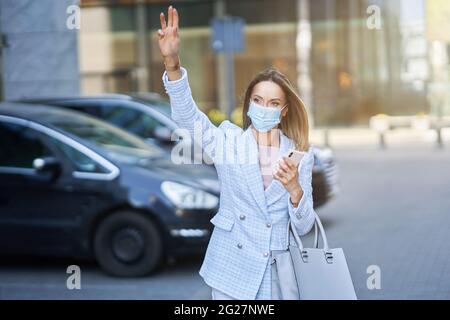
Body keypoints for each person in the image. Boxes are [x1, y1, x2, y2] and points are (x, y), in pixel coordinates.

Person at [157, 5, 316, 300]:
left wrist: (294, 189)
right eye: (257, 99)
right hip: (232, 268)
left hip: (277, 274)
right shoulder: (229, 141)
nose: (263, 108)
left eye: (271, 103)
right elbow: (188, 119)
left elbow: (305, 226)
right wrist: (172, 63)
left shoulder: (300, 156)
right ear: (249, 105)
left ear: (283, 111)